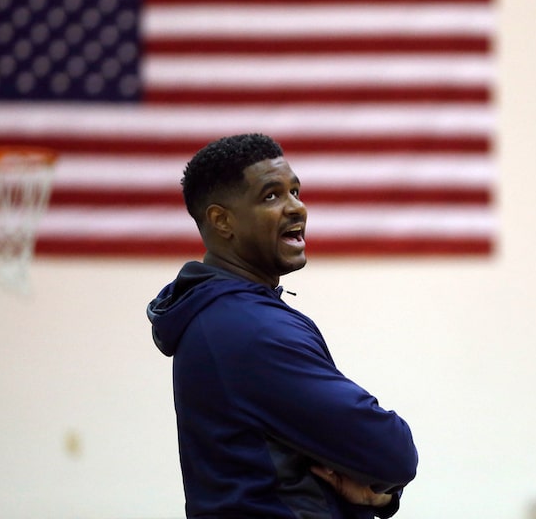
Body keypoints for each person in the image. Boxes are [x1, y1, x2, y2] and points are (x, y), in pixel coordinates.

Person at [146, 133, 418, 518]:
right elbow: (393, 451)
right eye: (271, 196)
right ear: (222, 221)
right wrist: (382, 479)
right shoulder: (249, 329)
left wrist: (380, 494)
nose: (297, 208)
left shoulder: (228, 316)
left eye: (295, 191)